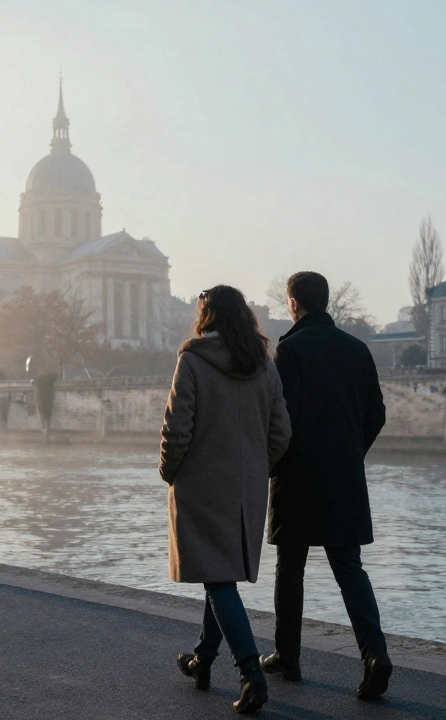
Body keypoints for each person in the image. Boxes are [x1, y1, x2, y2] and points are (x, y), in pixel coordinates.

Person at [160, 285, 291, 715]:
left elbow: (178, 428)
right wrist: (255, 469)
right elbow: (281, 433)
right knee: (219, 575)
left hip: (200, 485)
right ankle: (202, 660)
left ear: (206, 316)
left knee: (216, 579)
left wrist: (170, 471)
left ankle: (250, 673)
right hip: (246, 489)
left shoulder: (192, 360)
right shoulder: (264, 365)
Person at [262, 270, 392, 700]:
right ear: (327, 300)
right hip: (344, 476)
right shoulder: (358, 349)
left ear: (293, 304)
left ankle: (289, 657)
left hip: (297, 476)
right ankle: (375, 655)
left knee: (290, 568)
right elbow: (376, 414)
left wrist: (273, 464)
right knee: (349, 570)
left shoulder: (290, 350)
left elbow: (284, 421)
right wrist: (352, 453)